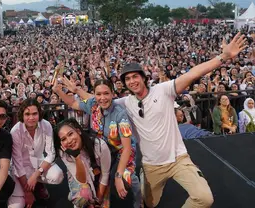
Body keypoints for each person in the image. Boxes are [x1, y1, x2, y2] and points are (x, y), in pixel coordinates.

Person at [114, 33, 246, 208]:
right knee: (149, 204)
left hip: (178, 160)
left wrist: (224, 56)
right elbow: (99, 101)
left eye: (135, 76)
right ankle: (145, 178)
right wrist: (73, 97)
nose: (132, 81)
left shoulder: (164, 90)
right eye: (127, 79)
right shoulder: (125, 102)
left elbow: (193, 74)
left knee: (204, 198)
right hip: (152, 165)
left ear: (144, 77)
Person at [53, 78, 139, 207]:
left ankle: (138, 199)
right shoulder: (94, 104)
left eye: (106, 93)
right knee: (96, 180)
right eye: (98, 94)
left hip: (120, 154)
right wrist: (58, 91)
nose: (102, 98)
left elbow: (127, 148)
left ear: (112, 94)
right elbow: (73, 103)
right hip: (100, 151)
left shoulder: (120, 115)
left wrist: (118, 174)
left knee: (124, 181)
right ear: (94, 94)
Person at [9, 98, 64, 208]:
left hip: (39, 164)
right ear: (22, 115)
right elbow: (18, 164)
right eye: (27, 114)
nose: (31, 118)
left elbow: (51, 154)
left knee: (58, 175)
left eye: (35, 114)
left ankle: (38, 185)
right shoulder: (15, 131)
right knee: (16, 206)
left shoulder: (46, 125)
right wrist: (27, 192)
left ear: (39, 114)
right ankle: (32, 188)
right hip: (21, 170)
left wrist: (36, 175)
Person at [54, 118, 111, 208]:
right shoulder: (64, 153)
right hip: (79, 179)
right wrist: (77, 158)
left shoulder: (100, 146)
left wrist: (97, 201)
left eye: (70, 134)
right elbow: (82, 181)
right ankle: (75, 193)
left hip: (99, 178)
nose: (69, 141)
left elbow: (105, 175)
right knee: (82, 200)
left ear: (78, 131)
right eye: (64, 139)